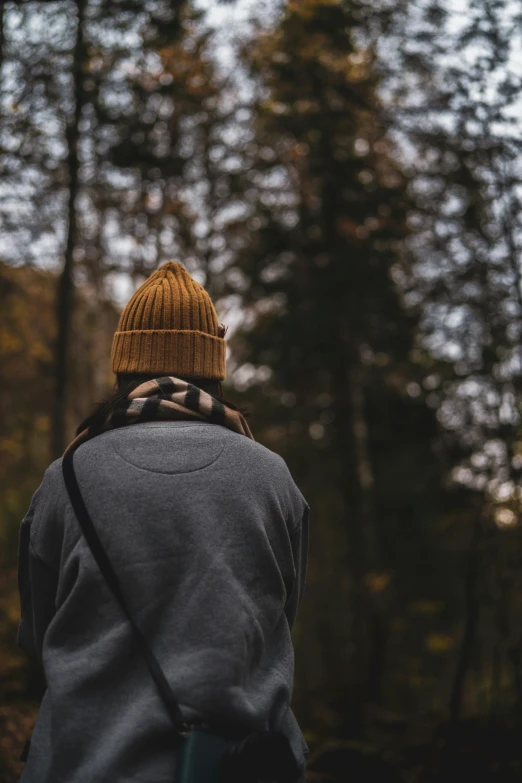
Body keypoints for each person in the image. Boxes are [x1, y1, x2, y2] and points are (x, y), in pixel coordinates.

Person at [17, 261, 309, 782]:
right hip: (237, 767)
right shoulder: (273, 478)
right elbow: (281, 618)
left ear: (124, 365)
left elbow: (39, 637)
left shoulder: (66, 478)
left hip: (84, 766)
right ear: (213, 366)